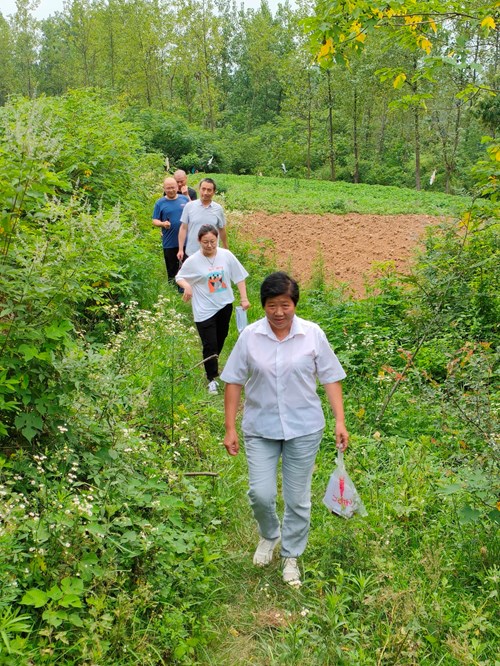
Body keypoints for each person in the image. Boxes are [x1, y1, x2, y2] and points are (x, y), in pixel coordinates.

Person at [220, 272, 348, 587]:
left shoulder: (312, 335)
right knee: (260, 494)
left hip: (304, 427)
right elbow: (234, 381)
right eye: (272, 305)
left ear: (295, 304)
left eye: (285, 305)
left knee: (297, 497)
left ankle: (291, 555)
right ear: (263, 305)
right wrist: (229, 427)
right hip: (260, 427)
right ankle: (269, 534)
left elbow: (331, 376)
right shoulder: (250, 336)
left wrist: (340, 420)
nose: (279, 313)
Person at [175, 225, 250, 394]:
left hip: (224, 305)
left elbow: (239, 277)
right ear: (199, 241)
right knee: (210, 343)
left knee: (220, 338)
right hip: (204, 308)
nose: (209, 246)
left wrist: (244, 298)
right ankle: (212, 378)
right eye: (205, 242)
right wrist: (187, 286)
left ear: (217, 240)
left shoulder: (226, 255)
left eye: (213, 242)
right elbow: (179, 277)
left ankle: (213, 362)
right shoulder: (193, 260)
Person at [177, 178, 228, 262]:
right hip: (192, 253)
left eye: (209, 190)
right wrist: (180, 249)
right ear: (199, 189)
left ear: (214, 192)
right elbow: (183, 228)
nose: (205, 193)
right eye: (203, 189)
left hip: (212, 253)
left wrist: (226, 249)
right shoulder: (189, 206)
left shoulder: (218, 209)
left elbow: (222, 229)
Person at [152, 177, 189, 284]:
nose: (171, 190)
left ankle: (185, 287)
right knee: (172, 268)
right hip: (169, 242)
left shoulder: (184, 199)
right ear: (164, 189)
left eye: (173, 187)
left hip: (186, 241)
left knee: (186, 266)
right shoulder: (160, 203)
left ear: (177, 187)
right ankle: (173, 290)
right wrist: (163, 224)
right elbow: (154, 220)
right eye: (168, 188)